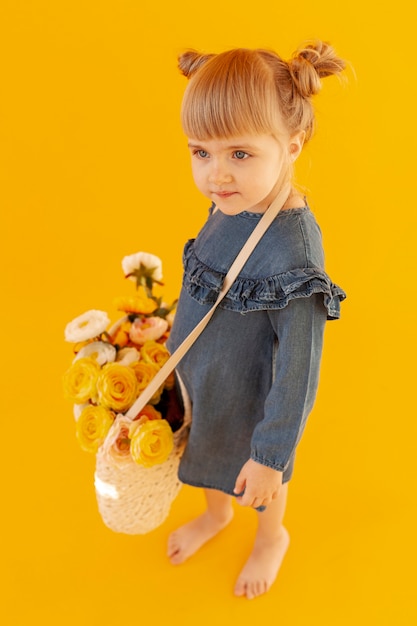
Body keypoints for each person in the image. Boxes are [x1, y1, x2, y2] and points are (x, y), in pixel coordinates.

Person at [166, 41, 346, 600]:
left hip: (252, 391)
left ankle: (272, 537)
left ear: (291, 146)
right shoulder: (231, 202)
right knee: (203, 450)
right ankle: (216, 515)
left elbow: (299, 367)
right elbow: (207, 282)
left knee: (260, 480)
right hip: (203, 378)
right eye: (201, 152)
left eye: (239, 154)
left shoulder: (294, 248)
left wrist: (271, 455)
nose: (216, 175)